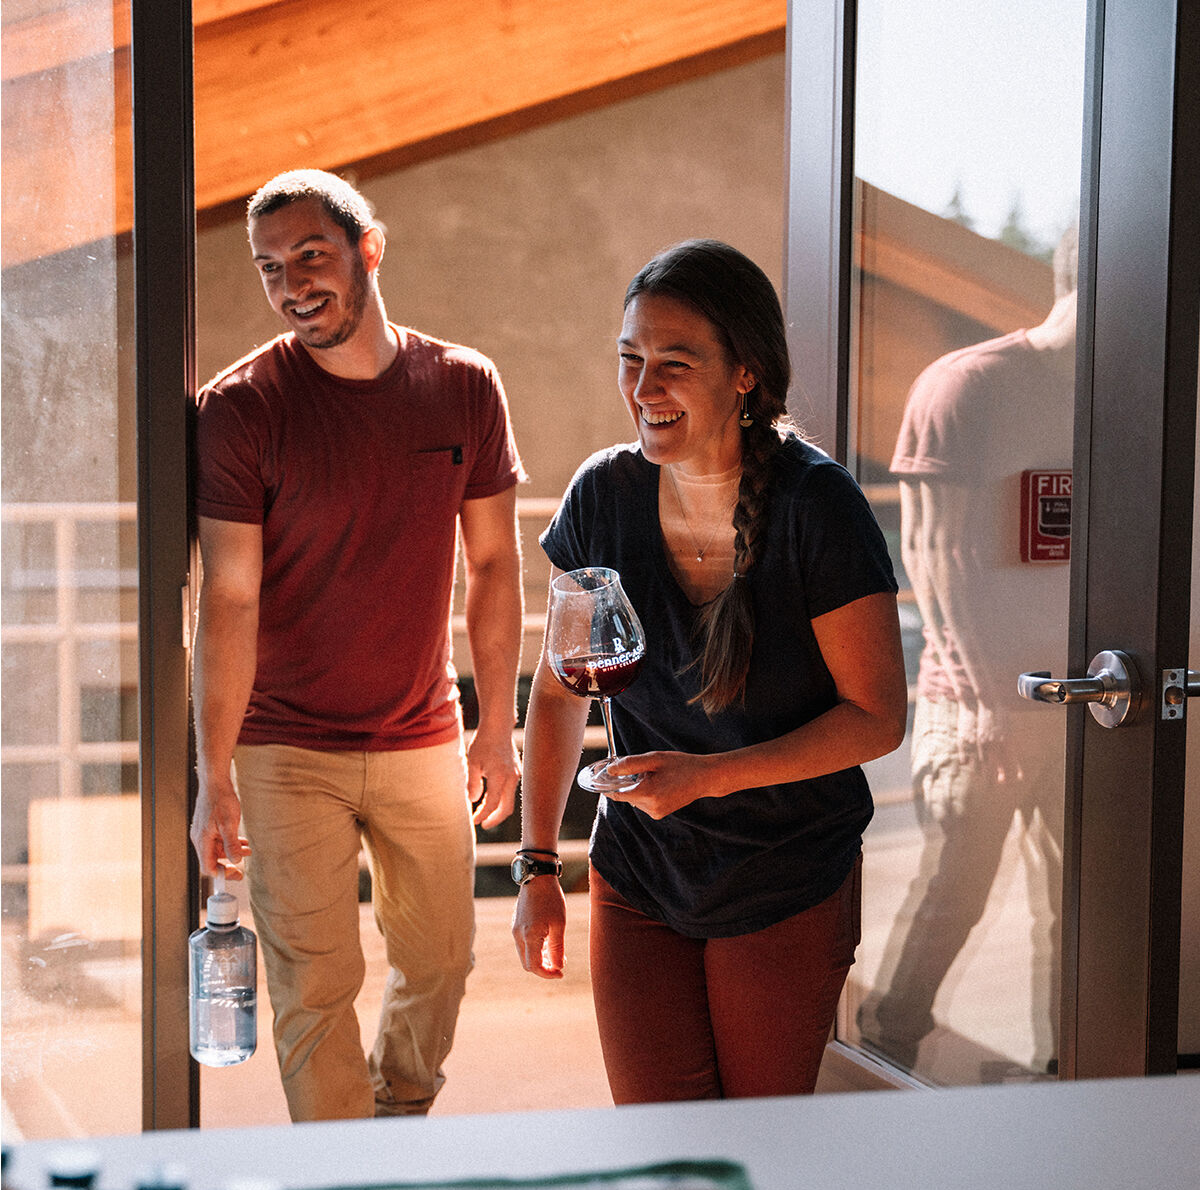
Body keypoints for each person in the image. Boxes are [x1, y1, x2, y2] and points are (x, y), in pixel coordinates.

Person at [511, 240, 907, 1102]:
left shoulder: (817, 507)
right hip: (642, 871)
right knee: (663, 1155)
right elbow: (553, 691)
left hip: (786, 874)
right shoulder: (601, 496)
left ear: (745, 375)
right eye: (631, 360)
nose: (643, 388)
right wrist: (537, 866)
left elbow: (877, 717)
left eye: (674, 365)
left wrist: (710, 777)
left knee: (761, 1150)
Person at [191, 169, 526, 1122]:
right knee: (315, 984)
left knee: (443, 959)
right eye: (269, 268)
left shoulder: (463, 385)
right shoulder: (243, 407)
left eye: (311, 255)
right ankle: (346, 1184)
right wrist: (215, 772)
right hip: (285, 747)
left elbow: (494, 569)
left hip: (423, 733)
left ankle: (399, 1113)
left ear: (368, 249)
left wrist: (492, 727)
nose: (292, 283)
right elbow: (230, 595)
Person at [856, 229, 1077, 1076]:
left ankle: (1072, 1074)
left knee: (1078, 905)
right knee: (957, 894)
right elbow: (934, 554)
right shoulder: (970, 385)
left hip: (1088, 695)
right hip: (979, 702)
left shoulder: (1119, 390)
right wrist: (992, 708)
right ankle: (878, 1058)